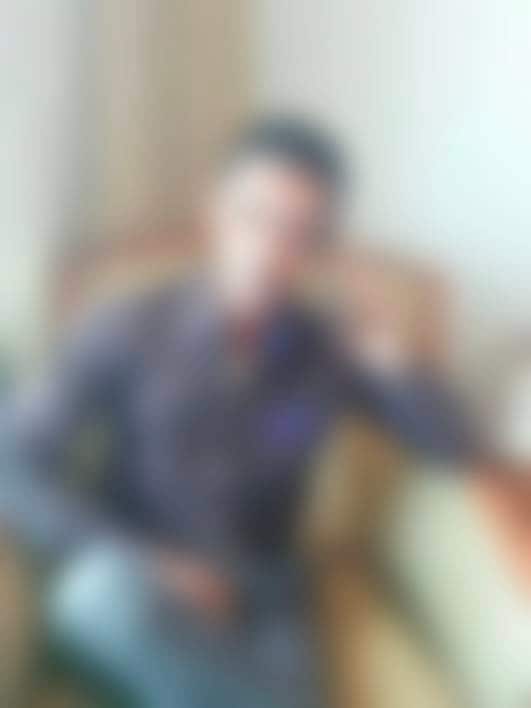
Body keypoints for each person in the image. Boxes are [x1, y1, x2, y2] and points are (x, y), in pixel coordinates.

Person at [2, 115, 471, 708]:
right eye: (255, 217)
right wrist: (150, 563)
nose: (271, 249)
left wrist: (395, 361)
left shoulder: (328, 350)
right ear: (217, 213)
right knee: (92, 600)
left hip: (263, 596)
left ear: (319, 249)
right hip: (141, 583)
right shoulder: (128, 325)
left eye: (298, 232)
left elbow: (453, 445)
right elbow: (12, 468)